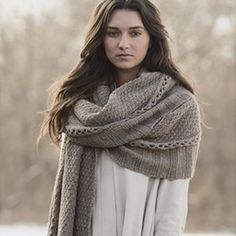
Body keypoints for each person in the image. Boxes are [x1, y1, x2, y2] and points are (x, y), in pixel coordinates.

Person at [39, 0, 202, 235]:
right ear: (101, 38)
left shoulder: (177, 108)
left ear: (151, 38)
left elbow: (172, 211)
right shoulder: (80, 105)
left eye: (135, 33)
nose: (123, 44)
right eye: (113, 33)